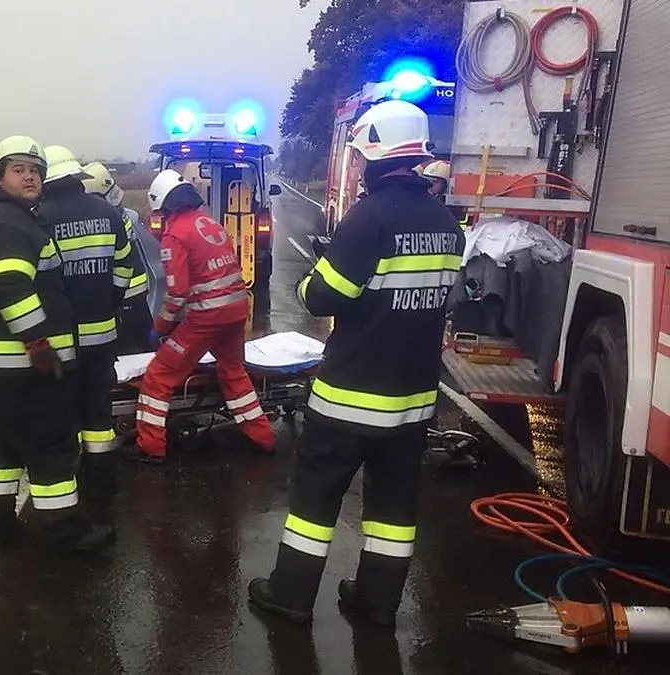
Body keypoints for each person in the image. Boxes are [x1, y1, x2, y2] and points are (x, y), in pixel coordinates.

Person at [247, 100, 465, 627]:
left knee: (315, 502)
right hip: (412, 403)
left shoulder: (367, 218)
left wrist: (312, 275)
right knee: (393, 510)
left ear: (372, 151)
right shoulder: (447, 223)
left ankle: (291, 597)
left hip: (350, 398)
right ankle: (376, 603)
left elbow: (322, 297)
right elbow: (447, 298)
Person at [0, 135, 114, 553]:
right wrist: (38, 343)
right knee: (51, 446)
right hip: (20, 368)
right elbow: (10, 285)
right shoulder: (10, 222)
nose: (29, 176)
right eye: (18, 168)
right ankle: (66, 531)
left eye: (35, 169)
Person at [133, 170, 277, 464]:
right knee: (233, 371)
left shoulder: (175, 234)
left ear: (164, 204)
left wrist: (160, 327)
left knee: (158, 377)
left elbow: (177, 294)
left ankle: (151, 448)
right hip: (236, 312)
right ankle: (262, 437)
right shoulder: (207, 222)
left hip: (206, 318)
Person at [35, 146, 136, 524]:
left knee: (64, 411)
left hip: (62, 338)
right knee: (98, 411)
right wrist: (110, 301)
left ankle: (70, 480)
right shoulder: (108, 212)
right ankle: (103, 480)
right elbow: (126, 267)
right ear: (76, 178)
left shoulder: (40, 217)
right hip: (103, 333)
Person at [82, 161, 152, 355]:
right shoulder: (122, 216)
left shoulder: (106, 220)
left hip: (122, 299)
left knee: (129, 355)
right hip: (134, 296)